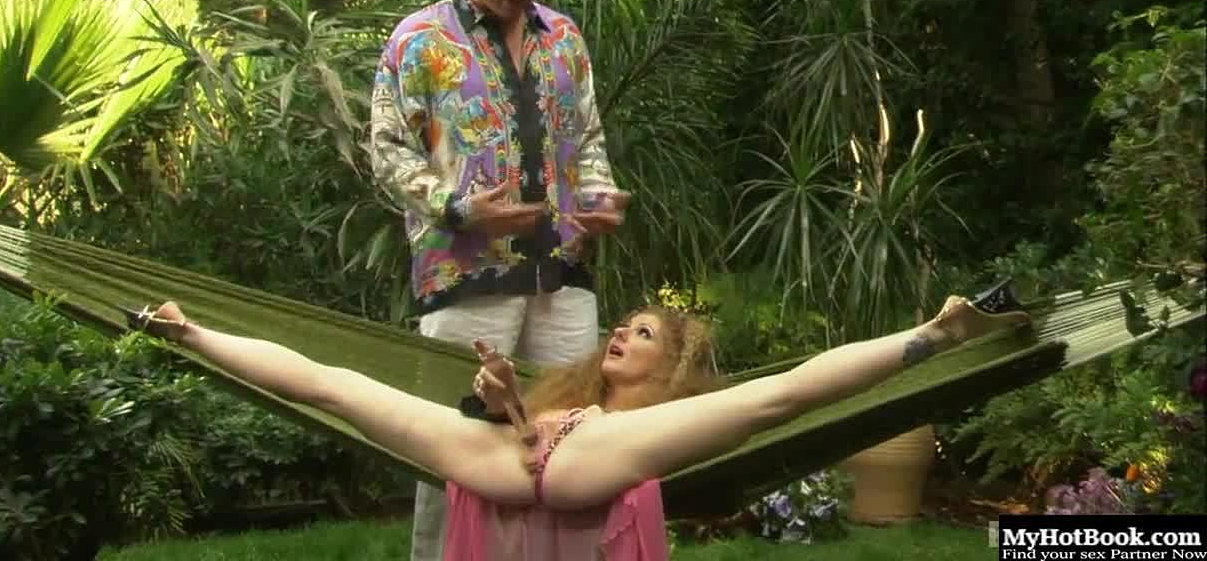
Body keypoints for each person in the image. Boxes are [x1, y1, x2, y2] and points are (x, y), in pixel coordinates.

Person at [127, 294, 1031, 560]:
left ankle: (936, 334)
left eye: (646, 335)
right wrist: (498, 398)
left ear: (669, 370)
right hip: (524, 456)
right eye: (623, 327)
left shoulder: (658, 423)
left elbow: (779, 400)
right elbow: (528, 433)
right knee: (338, 386)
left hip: (582, 463)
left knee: (774, 399)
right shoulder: (569, 396)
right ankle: (188, 331)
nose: (623, 337)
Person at [367, 0, 627, 560]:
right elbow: (388, 151)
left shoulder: (563, 36)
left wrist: (599, 197)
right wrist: (459, 206)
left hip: (564, 275)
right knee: (453, 448)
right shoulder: (418, 41)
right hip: (467, 278)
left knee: (575, 443)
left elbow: (588, 137)